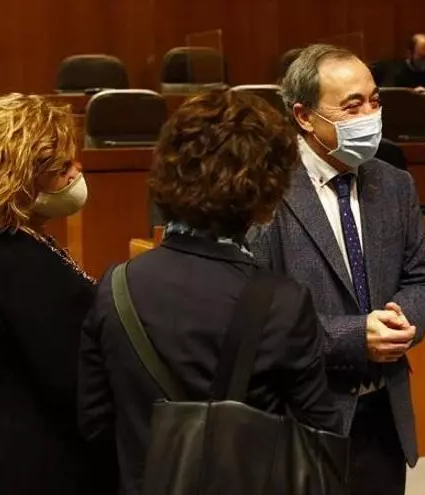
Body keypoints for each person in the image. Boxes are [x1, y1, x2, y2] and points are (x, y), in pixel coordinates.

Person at [78, 87, 342, 495]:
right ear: (266, 195)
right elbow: (320, 439)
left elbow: (95, 423)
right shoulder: (283, 302)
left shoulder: (114, 286)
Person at [250, 43, 425, 495]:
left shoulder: (395, 184)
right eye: (352, 107)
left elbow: (421, 279)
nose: (370, 116)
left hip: (383, 416)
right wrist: (356, 337)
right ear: (304, 116)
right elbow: (257, 317)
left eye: (374, 101)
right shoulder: (265, 191)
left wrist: (402, 320)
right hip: (301, 419)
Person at [0, 94, 116, 495]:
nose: (78, 172)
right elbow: (74, 383)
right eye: (63, 168)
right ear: (20, 180)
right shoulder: (18, 264)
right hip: (26, 465)